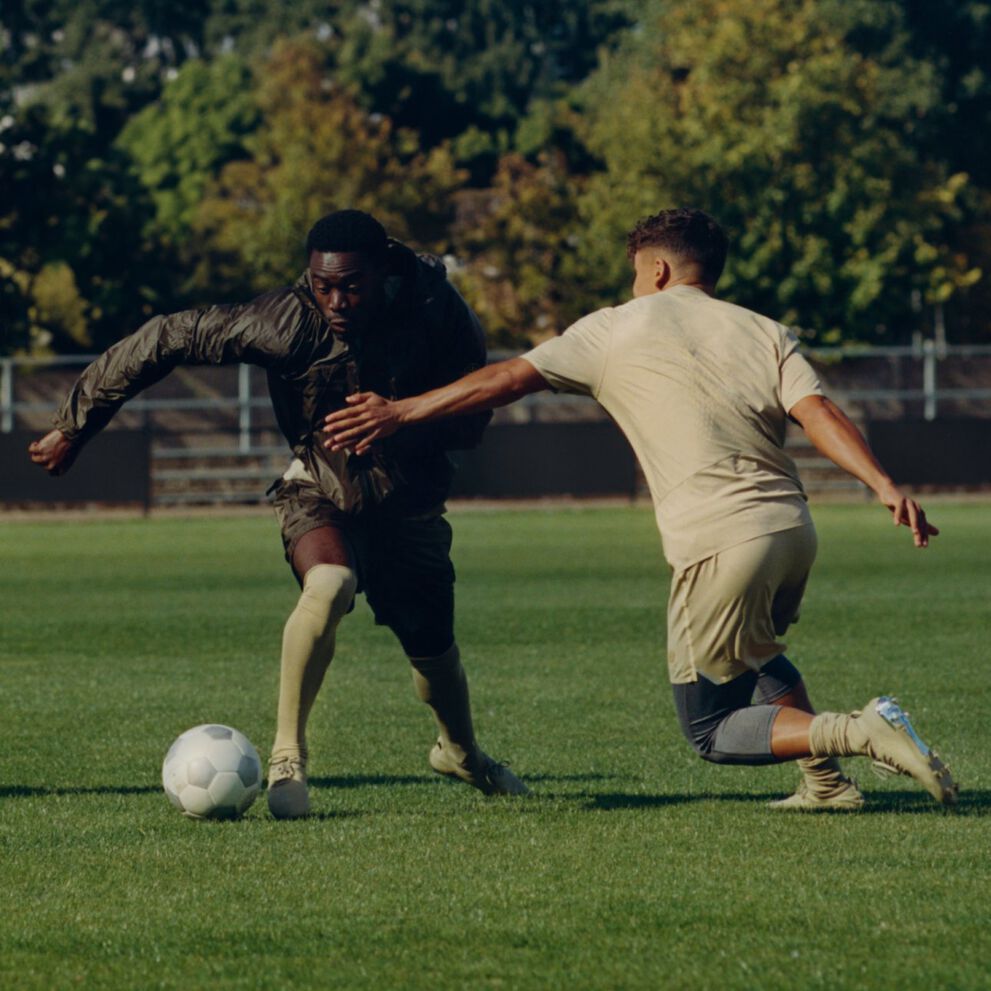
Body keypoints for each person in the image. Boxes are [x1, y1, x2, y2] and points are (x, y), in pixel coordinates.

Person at [324, 207, 958, 810]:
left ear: (655, 270)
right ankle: (825, 784)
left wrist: (400, 410)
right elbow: (818, 412)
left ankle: (858, 731)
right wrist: (881, 482)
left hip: (719, 543)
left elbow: (507, 379)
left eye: (634, 271)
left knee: (710, 727)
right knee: (759, 649)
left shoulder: (614, 328)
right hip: (793, 529)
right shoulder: (762, 329)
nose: (631, 283)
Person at [28, 208, 529, 818]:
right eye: (323, 287)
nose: (336, 300)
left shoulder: (435, 307)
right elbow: (164, 337)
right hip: (317, 485)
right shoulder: (285, 322)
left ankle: (462, 753)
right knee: (331, 581)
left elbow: (477, 408)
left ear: (382, 273)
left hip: (409, 500)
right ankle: (287, 756)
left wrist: (398, 419)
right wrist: (75, 425)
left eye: (351, 285)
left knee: (434, 651)